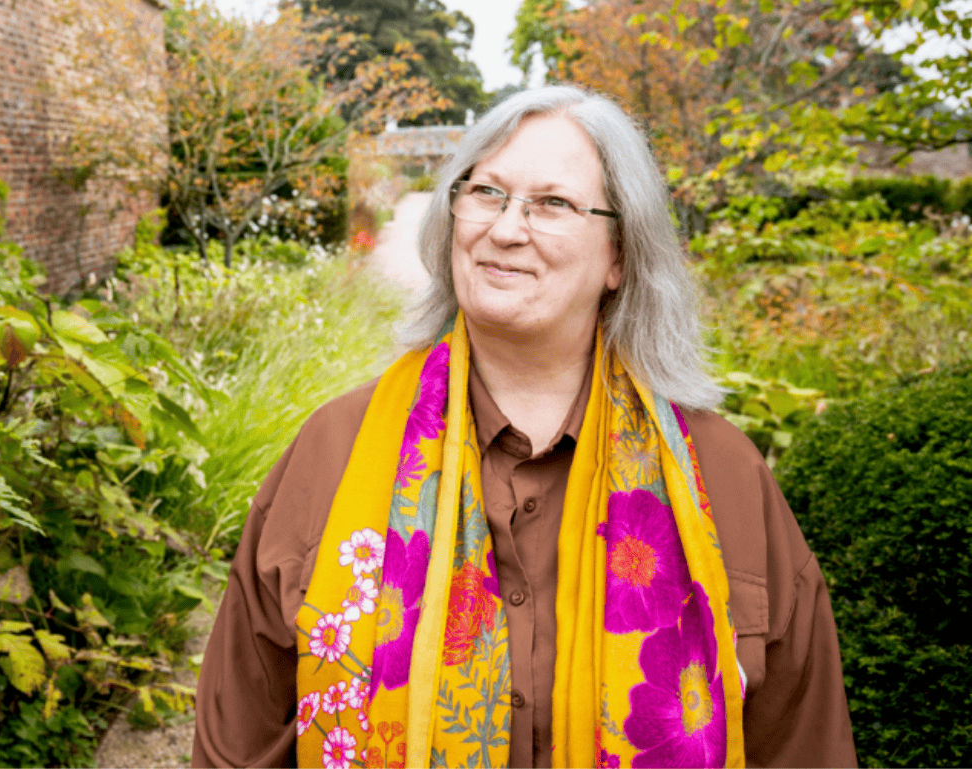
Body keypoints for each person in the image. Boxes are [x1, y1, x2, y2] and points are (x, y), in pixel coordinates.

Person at [192, 86, 857, 768]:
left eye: (553, 203)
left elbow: (803, 744)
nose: (505, 228)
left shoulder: (723, 476)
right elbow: (237, 742)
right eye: (485, 192)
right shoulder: (334, 452)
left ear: (620, 257)